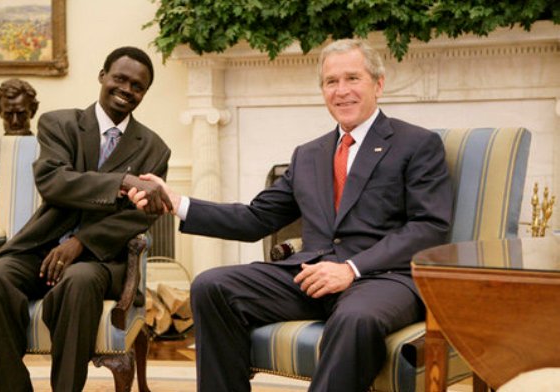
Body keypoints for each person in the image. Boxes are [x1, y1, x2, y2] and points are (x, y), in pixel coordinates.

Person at [130, 38, 454, 392]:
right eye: (331, 82)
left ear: (378, 83)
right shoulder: (309, 155)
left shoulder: (416, 144)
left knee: (355, 317)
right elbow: (255, 218)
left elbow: (429, 227)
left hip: (380, 279)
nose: (341, 91)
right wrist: (177, 202)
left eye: (352, 79)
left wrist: (350, 269)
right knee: (212, 286)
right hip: (310, 276)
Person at [0, 46, 172, 392]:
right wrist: (122, 181)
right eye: (119, 78)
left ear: (144, 93)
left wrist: (81, 243)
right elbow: (54, 182)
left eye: (137, 86)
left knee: (78, 281)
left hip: (103, 260)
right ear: (102, 77)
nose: (126, 89)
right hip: (42, 247)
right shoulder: (59, 123)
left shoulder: (154, 148)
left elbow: (136, 217)